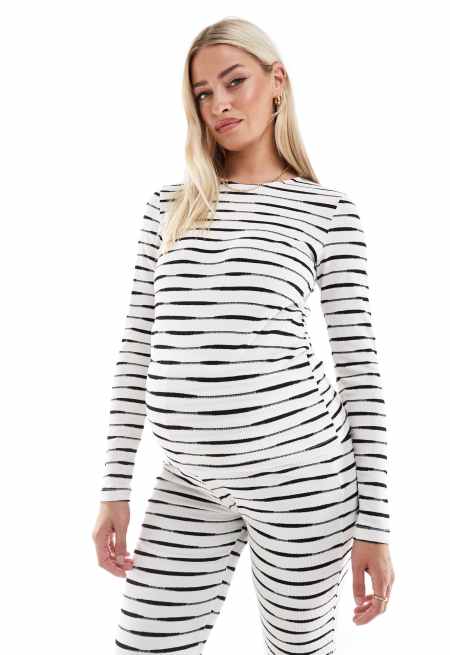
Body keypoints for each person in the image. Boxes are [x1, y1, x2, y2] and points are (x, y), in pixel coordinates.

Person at [92, 16, 395, 654]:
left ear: (277, 81)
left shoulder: (327, 211)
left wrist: (375, 523)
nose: (220, 105)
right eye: (203, 93)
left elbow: (359, 370)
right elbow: (136, 350)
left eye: (235, 82)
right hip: (188, 482)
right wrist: (114, 488)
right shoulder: (169, 207)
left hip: (302, 483)